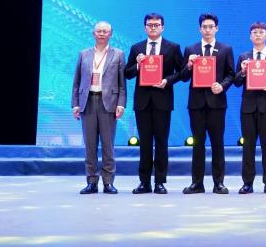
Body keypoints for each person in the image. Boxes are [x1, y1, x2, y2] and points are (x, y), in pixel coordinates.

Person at [124, 13, 183, 195]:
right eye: (150, 25)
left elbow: (182, 73)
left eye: (156, 25)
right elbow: (127, 73)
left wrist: (167, 81)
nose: (153, 27)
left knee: (162, 142)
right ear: (145, 28)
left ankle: (159, 182)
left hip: (163, 100)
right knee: (145, 143)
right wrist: (138, 65)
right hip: (142, 102)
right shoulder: (136, 48)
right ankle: (144, 182)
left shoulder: (173, 47)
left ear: (162, 27)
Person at [180, 13, 235, 195]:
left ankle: (219, 183)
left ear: (216, 28)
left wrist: (222, 86)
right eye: (204, 27)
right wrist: (188, 66)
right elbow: (183, 77)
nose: (208, 30)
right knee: (198, 144)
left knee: (217, 143)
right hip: (196, 104)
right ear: (199, 29)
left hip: (217, 103)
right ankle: (197, 183)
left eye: (211, 27)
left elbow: (231, 74)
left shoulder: (225, 49)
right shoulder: (191, 49)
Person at [71, 21, 126, 194]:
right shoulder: (84, 54)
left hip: (108, 102)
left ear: (111, 34)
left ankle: (108, 182)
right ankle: (91, 182)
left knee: (108, 145)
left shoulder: (118, 54)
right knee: (90, 145)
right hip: (87, 102)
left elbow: (122, 84)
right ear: (93, 33)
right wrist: (75, 104)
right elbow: (76, 82)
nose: (102, 34)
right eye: (99, 31)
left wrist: (121, 104)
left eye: (105, 31)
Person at [234, 22, 266, 194]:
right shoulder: (244, 57)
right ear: (250, 36)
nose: (258, 35)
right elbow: (236, 82)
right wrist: (242, 72)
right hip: (248, 107)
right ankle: (247, 183)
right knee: (248, 146)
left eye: (261, 32)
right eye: (254, 32)